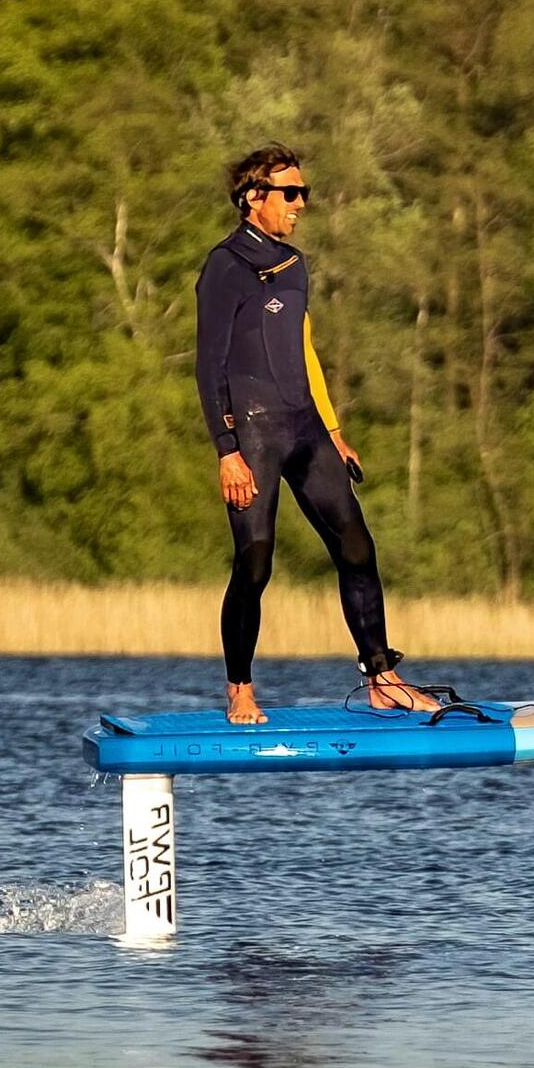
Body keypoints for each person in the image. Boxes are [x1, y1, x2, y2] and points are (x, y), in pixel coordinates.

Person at [194, 143, 429, 721]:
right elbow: (208, 365)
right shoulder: (224, 267)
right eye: (291, 192)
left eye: (304, 192)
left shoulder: (295, 265)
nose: (301, 203)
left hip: (304, 427)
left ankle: (382, 677)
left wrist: (333, 429)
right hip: (252, 435)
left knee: (357, 546)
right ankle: (240, 688)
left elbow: (303, 350)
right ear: (255, 198)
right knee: (255, 563)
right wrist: (227, 451)